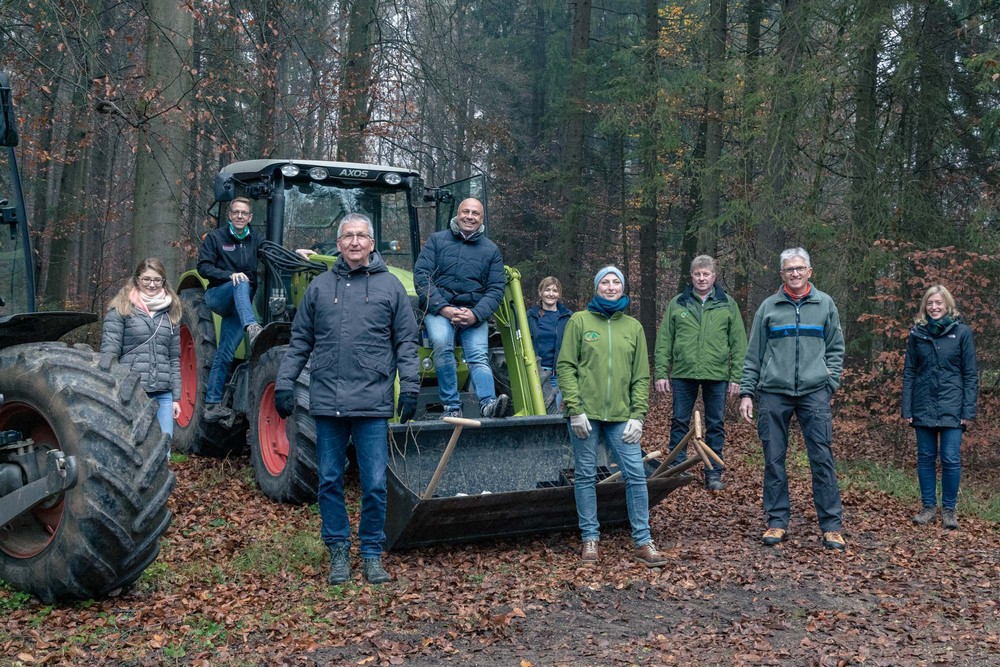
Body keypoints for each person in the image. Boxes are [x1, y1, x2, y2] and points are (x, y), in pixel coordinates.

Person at [274, 213, 419, 585]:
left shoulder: (391, 287)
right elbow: (300, 341)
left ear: (372, 243)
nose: (355, 242)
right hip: (328, 399)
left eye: (362, 236)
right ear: (338, 244)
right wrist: (284, 383)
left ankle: (371, 552)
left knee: (374, 483)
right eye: (348, 236)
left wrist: (411, 385)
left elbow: (406, 341)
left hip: (372, 400)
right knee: (329, 480)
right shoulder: (320, 287)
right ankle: (338, 550)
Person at [557, 266, 666, 568]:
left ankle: (643, 542)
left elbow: (641, 376)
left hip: (621, 416)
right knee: (585, 475)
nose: (610, 286)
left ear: (622, 288)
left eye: (615, 282)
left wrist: (638, 416)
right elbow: (565, 366)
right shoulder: (580, 321)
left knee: (636, 475)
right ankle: (590, 538)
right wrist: (575, 409)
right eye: (604, 282)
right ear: (596, 288)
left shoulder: (633, 327)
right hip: (585, 415)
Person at [739, 247, 847, 551]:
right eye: (789, 269)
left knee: (822, 459)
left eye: (800, 268)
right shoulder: (769, 307)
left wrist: (829, 384)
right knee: (774, 459)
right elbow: (754, 354)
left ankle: (831, 526)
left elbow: (836, 349)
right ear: (782, 274)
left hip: (814, 393)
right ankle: (776, 521)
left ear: (809, 271)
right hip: (774, 393)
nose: (795, 273)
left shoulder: (825, 304)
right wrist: (747, 391)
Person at [654, 255, 747, 491]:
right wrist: (661, 372)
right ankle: (676, 470)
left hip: (717, 374)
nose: (702, 278)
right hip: (683, 373)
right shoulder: (678, 303)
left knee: (715, 424)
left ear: (714, 276)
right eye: (697, 274)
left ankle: (713, 473)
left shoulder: (727, 304)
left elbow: (738, 344)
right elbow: (664, 340)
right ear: (691, 276)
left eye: (706, 274)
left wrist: (736, 377)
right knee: (679, 421)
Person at [413, 197, 511, 419]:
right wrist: (443, 308)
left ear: (481, 219)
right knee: (441, 342)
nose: (469, 216)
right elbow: (422, 277)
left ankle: (488, 404)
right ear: (457, 214)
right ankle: (451, 406)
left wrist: (476, 314)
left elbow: (496, 289)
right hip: (439, 310)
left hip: (473, 313)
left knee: (478, 354)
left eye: (475, 213)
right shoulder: (437, 241)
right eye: (466, 211)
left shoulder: (491, 251)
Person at [902, 285, 977, 530]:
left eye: (938, 303)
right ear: (925, 306)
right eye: (930, 303)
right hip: (922, 405)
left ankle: (949, 510)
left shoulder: (962, 332)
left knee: (950, 458)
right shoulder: (917, 333)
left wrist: (968, 410)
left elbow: (970, 374)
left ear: (947, 305)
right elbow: (910, 372)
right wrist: (907, 408)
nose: (934, 307)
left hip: (953, 407)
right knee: (925, 458)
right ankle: (928, 508)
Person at [101, 258, 182, 452]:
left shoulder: (171, 312)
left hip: (163, 393)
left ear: (163, 281)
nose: (152, 284)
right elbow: (109, 353)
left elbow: (173, 358)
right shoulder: (121, 309)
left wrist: (176, 398)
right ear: (137, 280)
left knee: (163, 451)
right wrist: (109, 391)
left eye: (157, 280)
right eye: (147, 279)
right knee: (133, 449)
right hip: (132, 392)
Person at [197, 197, 265, 422]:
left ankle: (212, 404)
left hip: (240, 304)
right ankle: (251, 326)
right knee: (241, 281)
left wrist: (298, 253)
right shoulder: (216, 237)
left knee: (225, 352)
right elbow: (203, 267)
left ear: (250, 217)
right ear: (229, 215)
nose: (239, 216)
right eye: (235, 212)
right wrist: (229, 275)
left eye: (243, 213)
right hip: (219, 294)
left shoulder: (255, 239)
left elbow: (271, 251)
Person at [526, 276, 572, 407]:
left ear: (559, 294)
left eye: (555, 290)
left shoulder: (568, 317)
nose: (551, 294)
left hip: (558, 375)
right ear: (540, 292)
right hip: (535, 374)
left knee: (556, 411)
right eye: (547, 290)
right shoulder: (530, 316)